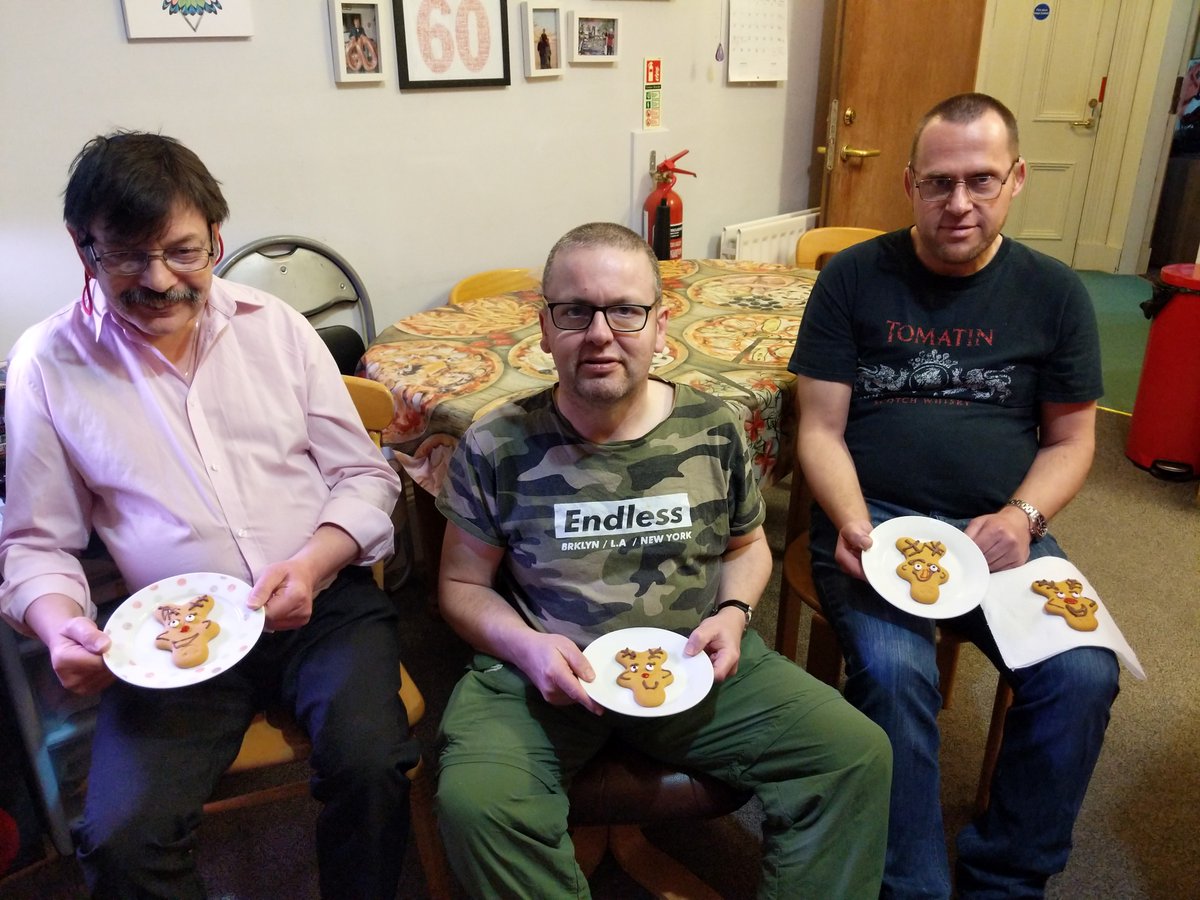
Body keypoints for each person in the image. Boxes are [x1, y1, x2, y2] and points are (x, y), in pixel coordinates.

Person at [0, 131, 419, 899]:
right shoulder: (47, 363)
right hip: (169, 635)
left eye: (184, 253)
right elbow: (35, 544)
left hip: (323, 604)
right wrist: (59, 626)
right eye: (128, 257)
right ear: (82, 248)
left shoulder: (276, 325)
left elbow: (362, 476)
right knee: (120, 839)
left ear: (217, 239)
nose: (160, 280)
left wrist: (314, 562)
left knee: (372, 764)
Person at [434, 221, 892, 898]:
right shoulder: (496, 441)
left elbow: (747, 548)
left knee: (854, 755)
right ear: (545, 328)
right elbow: (460, 583)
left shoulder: (714, 426)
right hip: (542, 673)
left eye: (626, 310)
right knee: (476, 805)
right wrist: (526, 647)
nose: (600, 333)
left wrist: (734, 613)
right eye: (575, 311)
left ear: (660, 325)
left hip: (691, 661)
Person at [788, 93, 1120, 898]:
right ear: (910, 184)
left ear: (1017, 180)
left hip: (1004, 527)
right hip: (877, 522)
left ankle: (1006, 880)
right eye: (939, 182)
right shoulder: (853, 279)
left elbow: (1073, 441)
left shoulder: (1054, 292)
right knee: (895, 674)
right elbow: (820, 431)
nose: (959, 202)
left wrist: (1023, 518)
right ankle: (912, 887)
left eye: (981, 180)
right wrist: (852, 521)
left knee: (1084, 673)